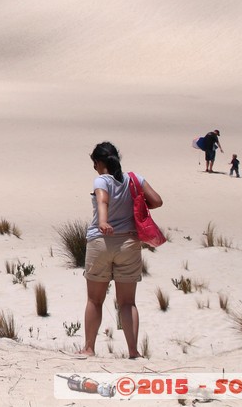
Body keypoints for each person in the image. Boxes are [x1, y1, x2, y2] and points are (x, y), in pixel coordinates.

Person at [80, 141, 162, 359]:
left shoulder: (101, 180)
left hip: (101, 242)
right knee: (127, 302)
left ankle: (89, 348)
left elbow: (102, 200)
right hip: (129, 243)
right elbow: (157, 201)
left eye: (94, 163)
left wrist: (104, 222)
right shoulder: (134, 179)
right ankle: (133, 351)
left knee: (94, 300)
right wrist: (136, 204)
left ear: (98, 162)